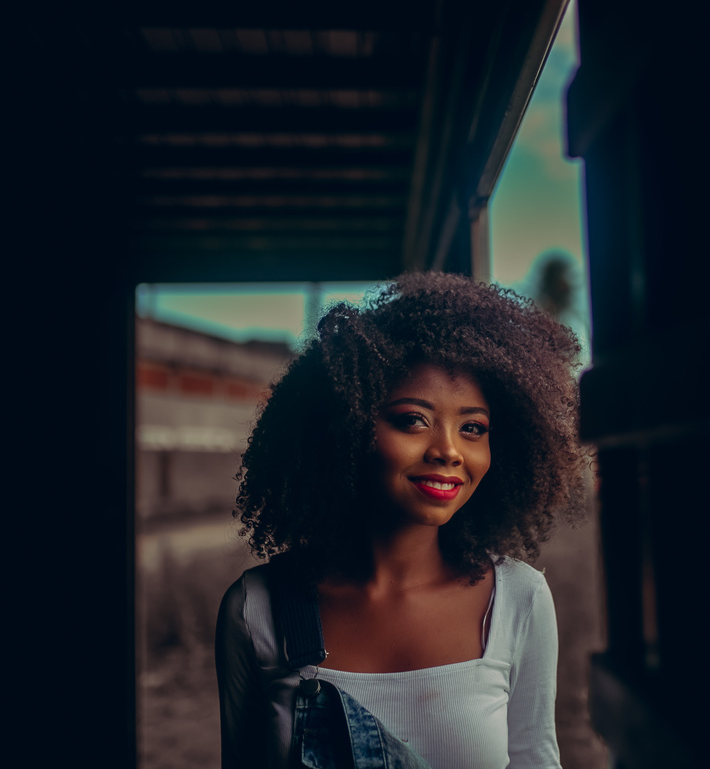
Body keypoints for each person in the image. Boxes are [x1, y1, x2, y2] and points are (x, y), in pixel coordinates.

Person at [216, 271, 590, 769]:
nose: (448, 451)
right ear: (347, 427)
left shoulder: (518, 601)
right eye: (413, 419)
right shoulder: (255, 610)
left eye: (473, 428)